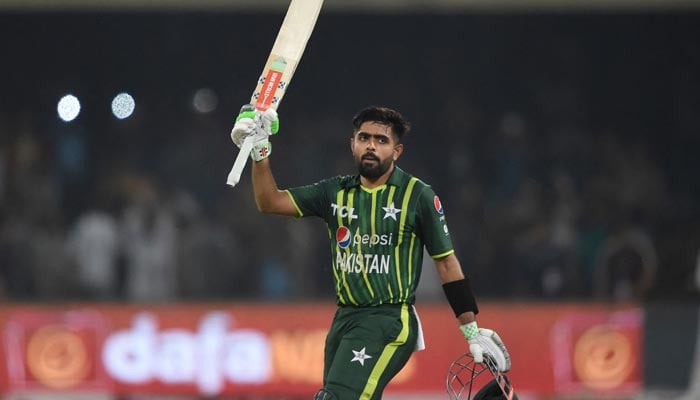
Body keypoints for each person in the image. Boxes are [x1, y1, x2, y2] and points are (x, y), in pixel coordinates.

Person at [231, 105, 511, 400]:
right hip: (345, 321)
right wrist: (260, 150)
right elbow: (269, 202)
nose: (371, 146)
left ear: (397, 150)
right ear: (352, 143)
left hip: (387, 319)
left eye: (381, 140)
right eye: (364, 138)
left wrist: (471, 330)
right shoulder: (334, 192)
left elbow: (446, 262)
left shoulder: (418, 195)